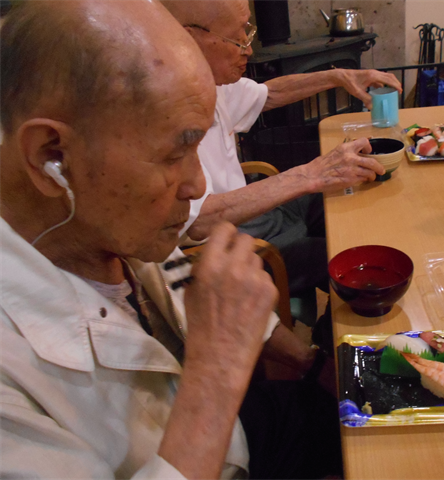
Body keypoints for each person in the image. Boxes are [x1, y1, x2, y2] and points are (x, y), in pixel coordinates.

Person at [0, 1, 342, 479]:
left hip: (230, 434)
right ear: (51, 154)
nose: (199, 185)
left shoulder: (105, 226)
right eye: (174, 152)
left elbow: (183, 281)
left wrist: (309, 364)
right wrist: (217, 372)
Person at [160, 0, 402, 296]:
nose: (248, 49)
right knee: (360, 256)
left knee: (347, 201)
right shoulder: (163, 110)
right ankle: (331, 337)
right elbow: (197, 222)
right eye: (238, 38)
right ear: (189, 37)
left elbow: (269, 94)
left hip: (255, 215)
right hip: (229, 249)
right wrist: (310, 174)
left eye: (248, 33)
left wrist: (339, 76)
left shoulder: (211, 81)